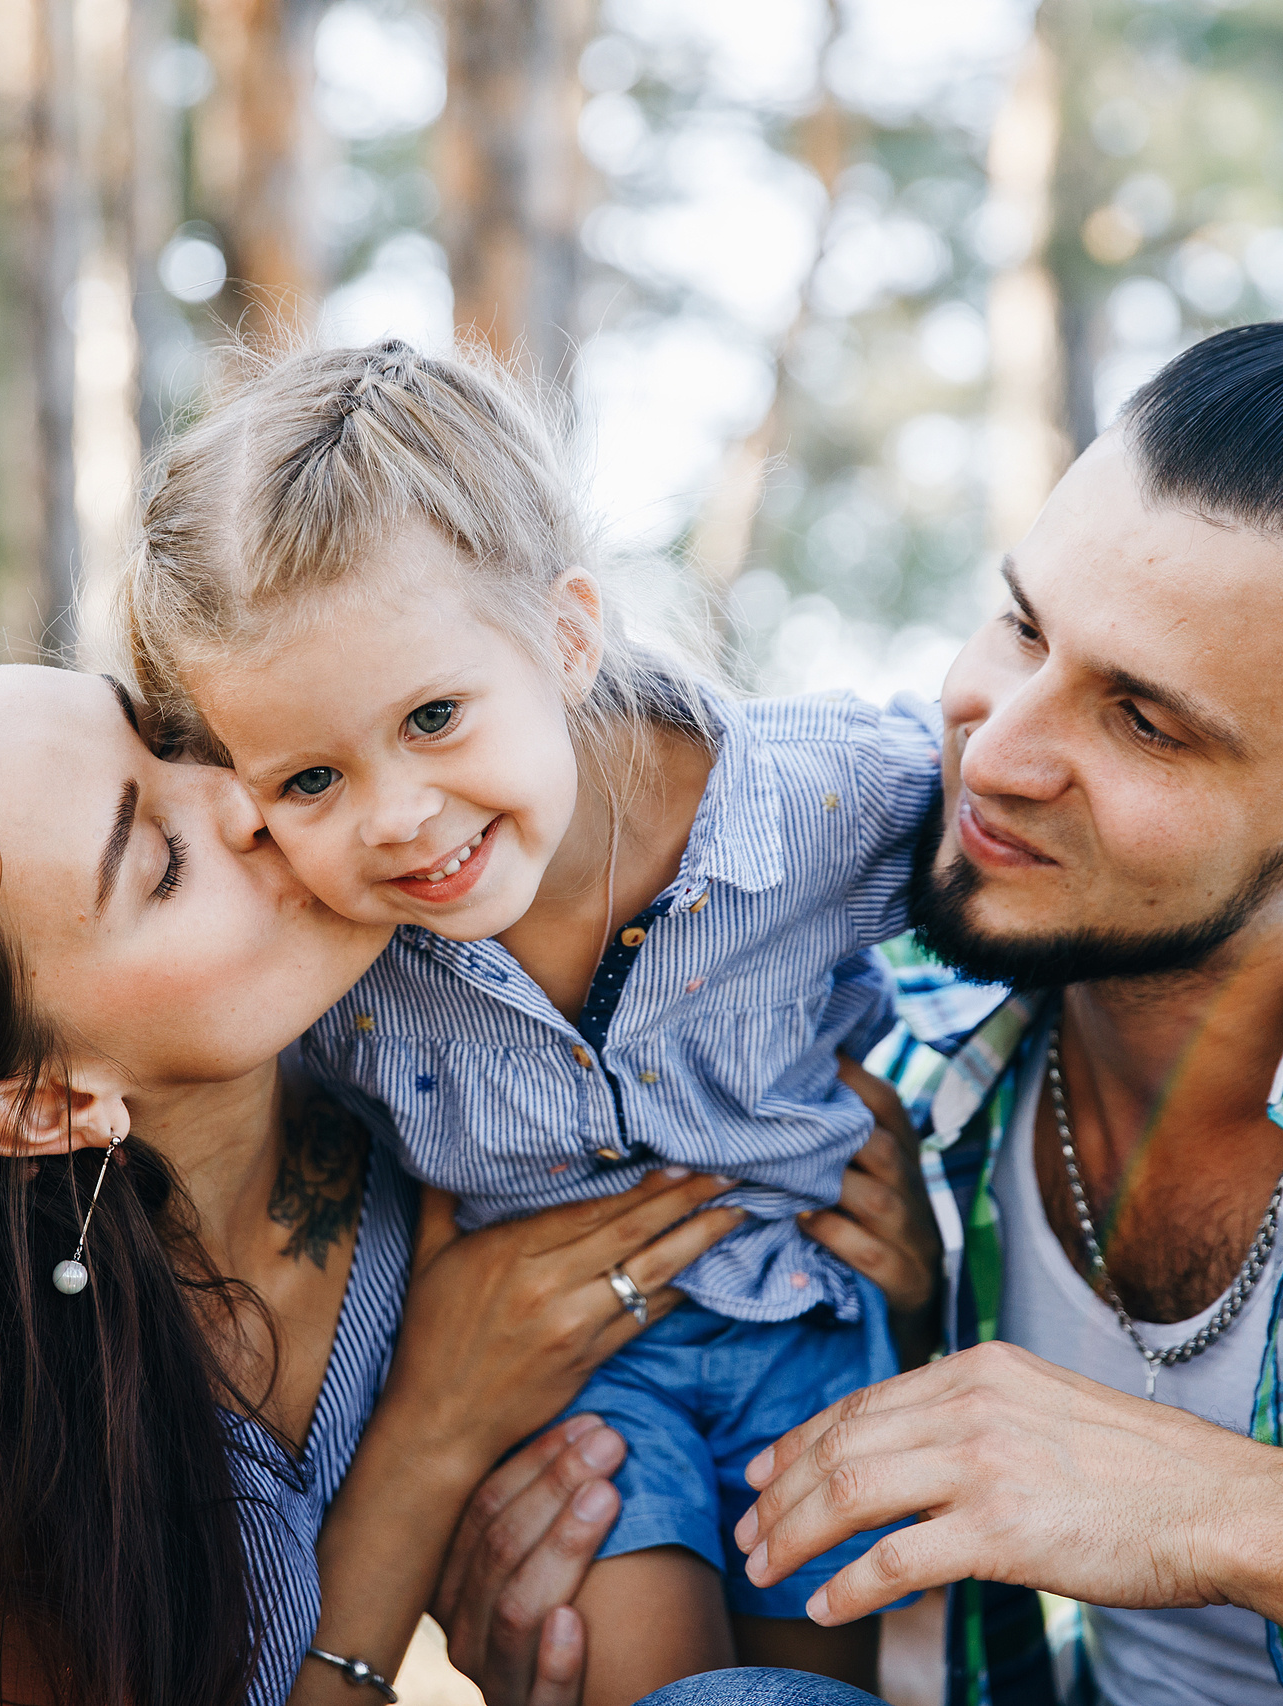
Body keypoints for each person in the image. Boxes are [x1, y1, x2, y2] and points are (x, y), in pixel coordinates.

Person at [439, 323, 1283, 1705]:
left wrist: (1220, 1508)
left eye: (1143, 719)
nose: (995, 748)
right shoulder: (878, 1029)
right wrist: (546, 1548)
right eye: (1022, 622)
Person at [0, 656, 936, 1706]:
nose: (248, 801)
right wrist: (425, 1450)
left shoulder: (447, 1076)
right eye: (158, 855)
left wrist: (893, 1262)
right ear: (47, 1103)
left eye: (165, 738)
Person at [123, 340, 937, 1704]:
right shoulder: (337, 949)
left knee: (817, 1688)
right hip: (577, 1391)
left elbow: (1030, 851)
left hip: (810, 1331)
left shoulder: (816, 803)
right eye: (313, 776)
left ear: (566, 635)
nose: (396, 813)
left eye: (435, 714)